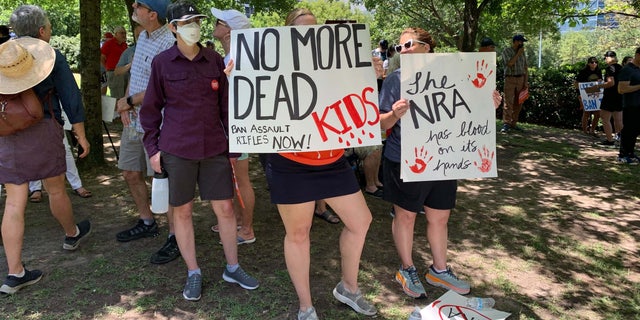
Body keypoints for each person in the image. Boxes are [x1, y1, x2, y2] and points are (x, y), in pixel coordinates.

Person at [140, 0, 259, 301]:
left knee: (227, 209)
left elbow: (226, 108)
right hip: (176, 150)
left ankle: (233, 266)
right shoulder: (162, 63)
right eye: (187, 22)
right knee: (182, 212)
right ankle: (193, 271)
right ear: (173, 28)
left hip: (215, 149)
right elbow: (151, 110)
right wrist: (152, 149)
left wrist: (234, 145)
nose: (194, 26)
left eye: (197, 21)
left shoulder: (215, 60)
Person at [264, 8, 377, 319]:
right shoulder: (272, 66)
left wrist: (370, 73)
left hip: (332, 161)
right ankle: (306, 306)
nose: (310, 35)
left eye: (315, 29)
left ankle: (348, 288)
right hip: (290, 162)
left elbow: (358, 106)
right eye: (302, 30)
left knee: (361, 221)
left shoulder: (338, 65)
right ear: (288, 35)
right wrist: (240, 75)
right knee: (298, 234)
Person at [1, 5, 92, 294]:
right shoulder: (51, 57)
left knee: (15, 202)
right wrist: (81, 134)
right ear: (41, 30)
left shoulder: (4, 54)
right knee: (56, 189)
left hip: (7, 133)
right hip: (43, 129)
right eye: (50, 27)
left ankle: (15, 273)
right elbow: (69, 95)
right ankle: (71, 234)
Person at [378, 27, 471, 299]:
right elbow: (379, 122)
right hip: (404, 159)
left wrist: (487, 103)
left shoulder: (453, 74)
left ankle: (439, 271)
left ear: (427, 47)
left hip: (442, 157)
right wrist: (394, 115)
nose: (402, 51)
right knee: (405, 216)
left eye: (408, 45)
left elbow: (468, 107)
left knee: (440, 217)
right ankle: (407, 268)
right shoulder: (395, 80)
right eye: (399, 47)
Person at [114, 0, 180, 265]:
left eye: (139, 5)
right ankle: (147, 221)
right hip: (135, 120)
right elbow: (138, 75)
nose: (133, 6)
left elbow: (161, 87)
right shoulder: (142, 38)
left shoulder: (171, 43)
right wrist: (125, 103)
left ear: (153, 15)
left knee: (163, 180)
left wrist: (129, 102)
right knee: (130, 172)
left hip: (159, 123)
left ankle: (176, 235)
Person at [210, 7, 257, 244]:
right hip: (226, 128)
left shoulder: (239, 59)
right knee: (231, 177)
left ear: (229, 31)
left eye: (218, 21)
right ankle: (237, 221)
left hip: (237, 129)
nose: (213, 24)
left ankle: (247, 230)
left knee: (240, 178)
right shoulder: (227, 58)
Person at [28, 126, 92, 203]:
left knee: (65, 150)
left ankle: (77, 185)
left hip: (54, 119)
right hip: (30, 118)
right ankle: (35, 188)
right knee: (33, 150)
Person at [616, 47, 640, 164]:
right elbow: (621, 89)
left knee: (635, 130)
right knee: (628, 130)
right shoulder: (627, 69)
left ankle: (630, 153)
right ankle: (623, 155)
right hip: (630, 105)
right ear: (638, 55)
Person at [501, 34, 529, 133]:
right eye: (521, 42)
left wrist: (526, 81)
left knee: (519, 102)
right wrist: (518, 54)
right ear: (515, 41)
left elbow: (525, 67)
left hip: (521, 78)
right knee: (508, 101)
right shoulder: (506, 51)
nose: (522, 44)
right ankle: (506, 123)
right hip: (510, 78)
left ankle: (514, 123)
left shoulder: (523, 53)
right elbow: (509, 63)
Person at [596, 51, 623, 147]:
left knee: (604, 117)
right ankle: (623, 141)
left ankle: (610, 141)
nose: (605, 60)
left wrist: (600, 85)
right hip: (620, 95)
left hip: (610, 96)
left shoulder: (610, 68)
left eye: (605, 58)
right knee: (618, 120)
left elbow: (611, 83)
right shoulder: (621, 67)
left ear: (608, 57)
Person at [575, 57, 602, 136]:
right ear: (588, 63)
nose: (594, 64)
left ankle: (592, 130)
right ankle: (584, 131)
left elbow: (600, 82)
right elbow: (576, 83)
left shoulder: (598, 71)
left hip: (595, 93)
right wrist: (580, 95)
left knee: (597, 113)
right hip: (585, 94)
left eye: (595, 62)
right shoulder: (583, 72)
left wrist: (600, 82)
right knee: (586, 112)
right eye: (592, 62)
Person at [114, 24, 144, 92]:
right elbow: (117, 72)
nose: (141, 38)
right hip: (134, 92)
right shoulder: (129, 51)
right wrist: (131, 64)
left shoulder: (159, 48)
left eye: (144, 34)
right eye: (138, 36)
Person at [101, 26, 128, 99]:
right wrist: (107, 68)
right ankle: (116, 110)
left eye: (125, 33)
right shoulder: (109, 43)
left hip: (124, 72)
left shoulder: (124, 44)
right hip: (113, 72)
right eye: (122, 33)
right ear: (116, 34)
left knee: (125, 96)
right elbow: (102, 57)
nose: (124, 35)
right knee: (116, 97)